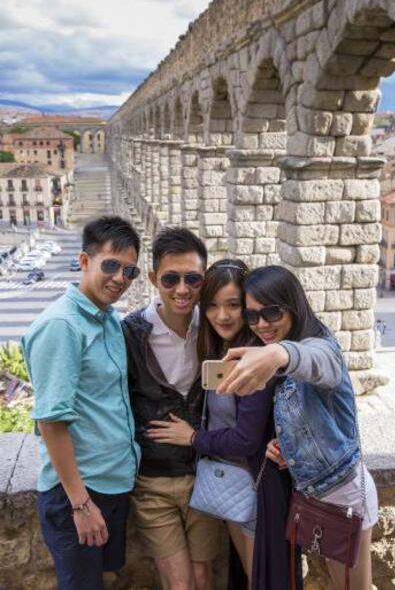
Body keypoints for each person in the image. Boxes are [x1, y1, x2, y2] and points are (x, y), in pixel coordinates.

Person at [217, 265, 379, 590]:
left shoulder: (320, 347)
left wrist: (277, 353)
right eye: (252, 316)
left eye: (272, 312)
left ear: (292, 305)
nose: (262, 324)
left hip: (344, 498)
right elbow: (305, 420)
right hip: (313, 498)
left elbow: (318, 360)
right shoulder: (285, 356)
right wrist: (286, 450)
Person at [146, 259, 301, 590]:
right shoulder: (221, 349)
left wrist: (192, 438)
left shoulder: (254, 357)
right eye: (212, 306)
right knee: (249, 576)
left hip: (256, 485)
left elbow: (246, 440)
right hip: (235, 484)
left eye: (233, 305)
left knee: (260, 578)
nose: (222, 316)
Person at [22, 215, 142, 590]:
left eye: (130, 271)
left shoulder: (107, 319)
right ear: (84, 261)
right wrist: (81, 505)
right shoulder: (62, 325)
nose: (120, 278)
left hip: (109, 487)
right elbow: (51, 421)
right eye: (111, 265)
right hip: (79, 494)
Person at [122, 227, 220, 590]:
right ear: (152, 279)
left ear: (204, 280)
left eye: (193, 278)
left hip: (205, 476)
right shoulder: (130, 333)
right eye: (171, 278)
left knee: (202, 576)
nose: (183, 289)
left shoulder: (213, 328)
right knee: (179, 584)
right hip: (153, 482)